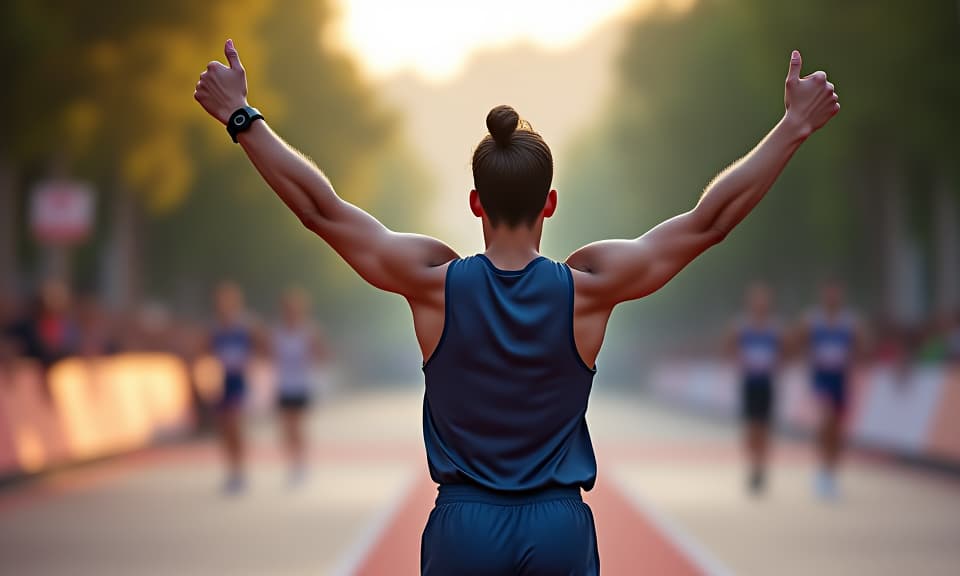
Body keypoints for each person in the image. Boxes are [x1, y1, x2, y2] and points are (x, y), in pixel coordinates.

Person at [195, 40, 839, 574]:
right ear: (550, 203)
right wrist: (792, 127)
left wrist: (242, 118)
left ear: (475, 203)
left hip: (463, 527)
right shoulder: (588, 287)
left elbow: (320, 210)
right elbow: (709, 223)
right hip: (557, 529)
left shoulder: (431, 282)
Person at [798, 280, 864, 500]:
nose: (832, 298)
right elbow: (796, 342)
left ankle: (831, 474)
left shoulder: (849, 322)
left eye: (836, 294)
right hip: (821, 378)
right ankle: (822, 471)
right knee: (826, 419)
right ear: (823, 295)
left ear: (840, 296)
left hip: (840, 379)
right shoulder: (812, 320)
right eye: (829, 294)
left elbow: (862, 346)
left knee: (837, 429)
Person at [726, 283, 783, 495]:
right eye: (757, 299)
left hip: (766, 383)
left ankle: (761, 468)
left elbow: (784, 351)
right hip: (749, 383)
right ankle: (753, 465)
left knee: (765, 429)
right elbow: (729, 347)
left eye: (764, 299)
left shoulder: (774, 327)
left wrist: (776, 363)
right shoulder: (741, 326)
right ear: (750, 303)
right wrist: (739, 360)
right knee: (751, 430)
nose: (760, 303)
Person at [272, 287, 327, 487]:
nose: (290, 312)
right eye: (287, 308)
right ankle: (293, 463)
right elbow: (270, 354)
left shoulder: (308, 331)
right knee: (286, 428)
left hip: (301, 385)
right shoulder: (277, 331)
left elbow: (322, 354)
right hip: (284, 385)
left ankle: (300, 464)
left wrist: (314, 358)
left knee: (297, 426)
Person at [208, 281, 257, 495]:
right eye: (220, 301)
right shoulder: (216, 328)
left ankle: (240, 472)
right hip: (222, 381)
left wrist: (250, 363)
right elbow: (205, 352)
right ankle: (231, 470)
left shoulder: (244, 326)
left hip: (239, 381)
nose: (224, 305)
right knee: (225, 430)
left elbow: (260, 348)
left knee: (234, 425)